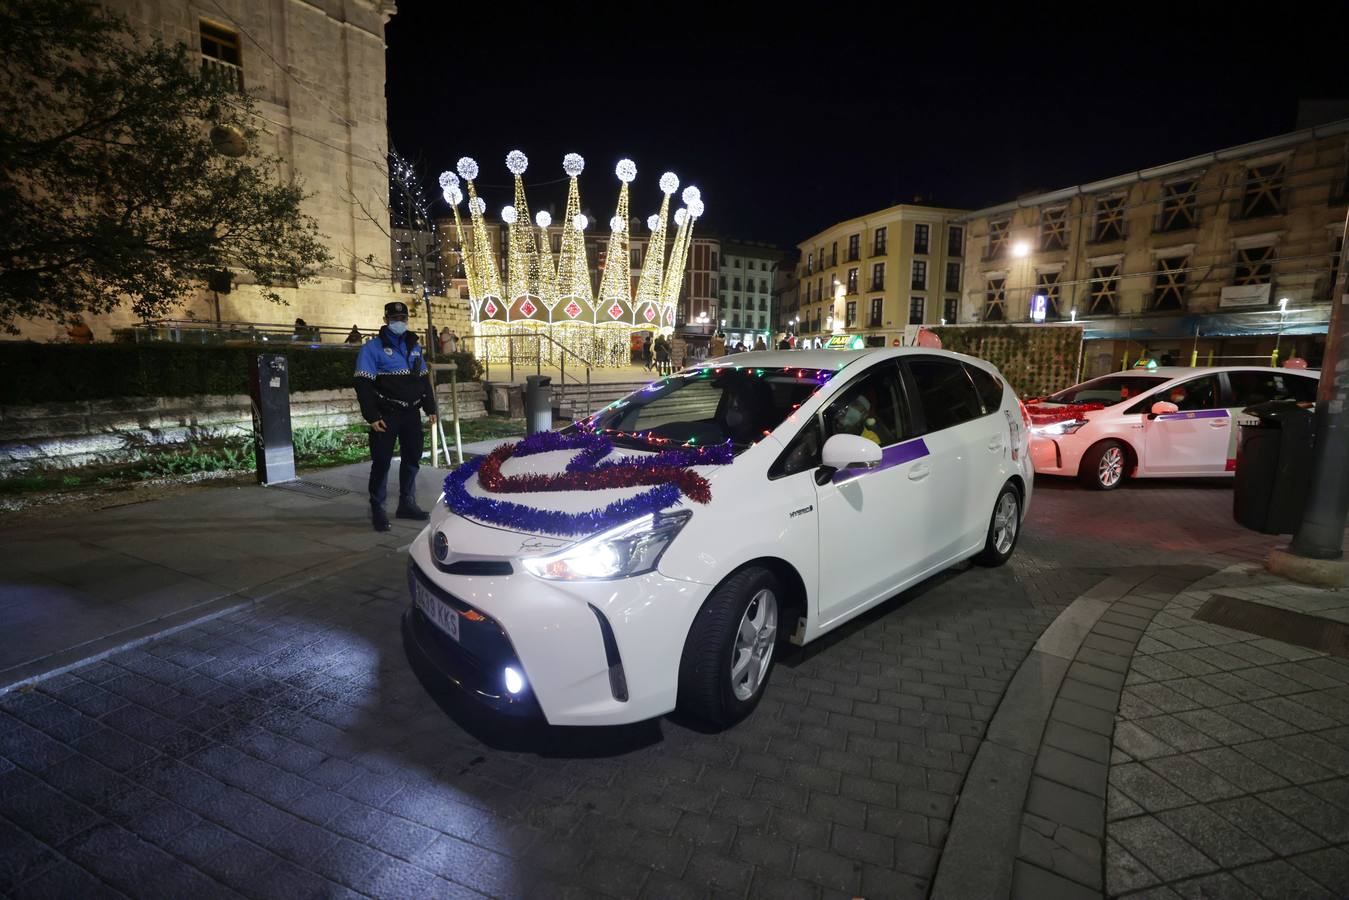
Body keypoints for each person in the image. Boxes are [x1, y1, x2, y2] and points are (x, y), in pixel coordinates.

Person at [353, 301, 438, 532]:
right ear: (385, 320)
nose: (399, 323)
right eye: (394, 319)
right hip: (386, 416)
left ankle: (406, 504)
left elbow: (422, 380)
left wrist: (430, 408)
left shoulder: (413, 346)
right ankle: (378, 508)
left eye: (402, 319)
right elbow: (363, 385)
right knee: (381, 462)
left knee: (412, 460)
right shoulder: (372, 349)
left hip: (411, 414)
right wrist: (371, 416)